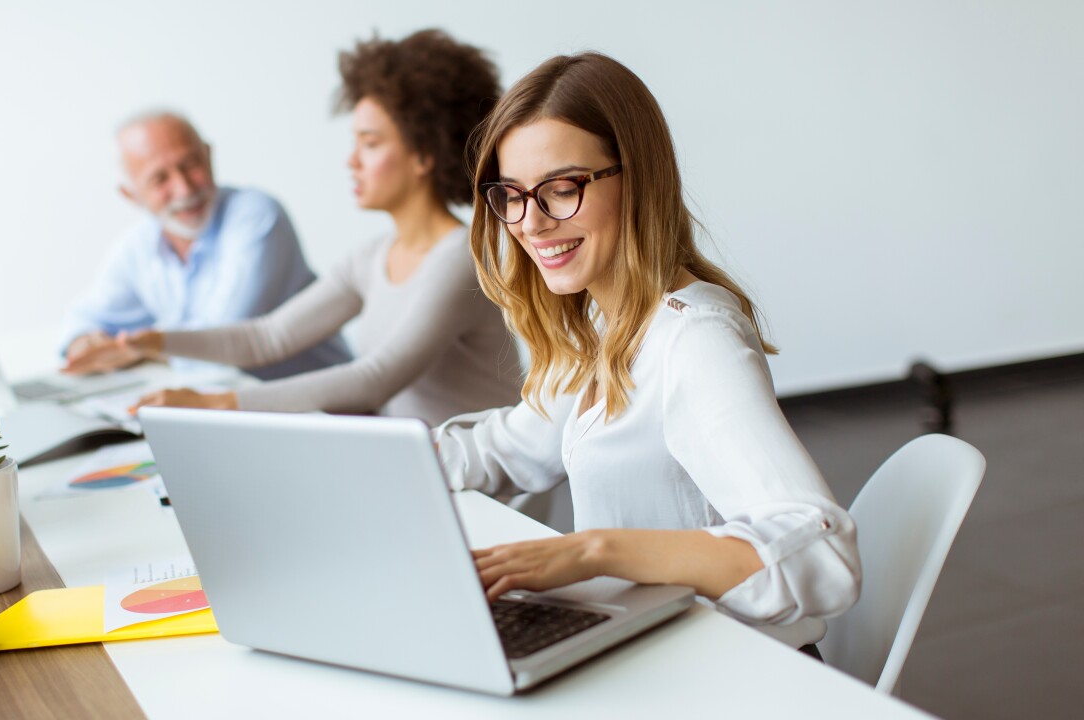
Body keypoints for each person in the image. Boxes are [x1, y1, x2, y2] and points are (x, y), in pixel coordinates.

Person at [435, 52, 860, 652]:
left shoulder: (696, 340)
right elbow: (503, 450)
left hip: (727, 668)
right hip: (657, 644)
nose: (530, 223)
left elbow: (823, 551)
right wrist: (363, 464)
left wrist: (594, 550)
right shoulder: (602, 328)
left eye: (561, 188)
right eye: (511, 194)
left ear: (637, 178)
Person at [124, 30, 522, 426]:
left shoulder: (460, 259)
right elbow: (266, 337)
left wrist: (217, 404)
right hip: (428, 467)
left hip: (484, 485)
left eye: (369, 143)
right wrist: (149, 341)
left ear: (424, 154)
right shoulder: (372, 257)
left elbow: (373, 380)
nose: (352, 160)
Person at [60, 111, 351, 380]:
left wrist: (138, 349)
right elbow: (83, 321)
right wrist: (84, 342)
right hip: (231, 408)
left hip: (324, 411)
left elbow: (222, 343)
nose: (185, 189)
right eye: (160, 178)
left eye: (191, 165)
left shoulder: (257, 215)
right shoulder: (138, 247)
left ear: (209, 156)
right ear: (130, 194)